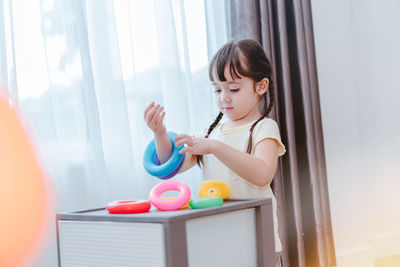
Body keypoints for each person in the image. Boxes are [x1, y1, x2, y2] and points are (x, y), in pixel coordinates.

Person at [144, 39, 285, 266]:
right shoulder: (210, 133)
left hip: (258, 235)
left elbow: (263, 174)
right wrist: (160, 134)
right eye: (217, 89)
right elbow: (172, 164)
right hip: (219, 236)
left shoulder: (263, 128)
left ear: (261, 86)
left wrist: (216, 148)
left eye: (234, 89)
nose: (224, 97)